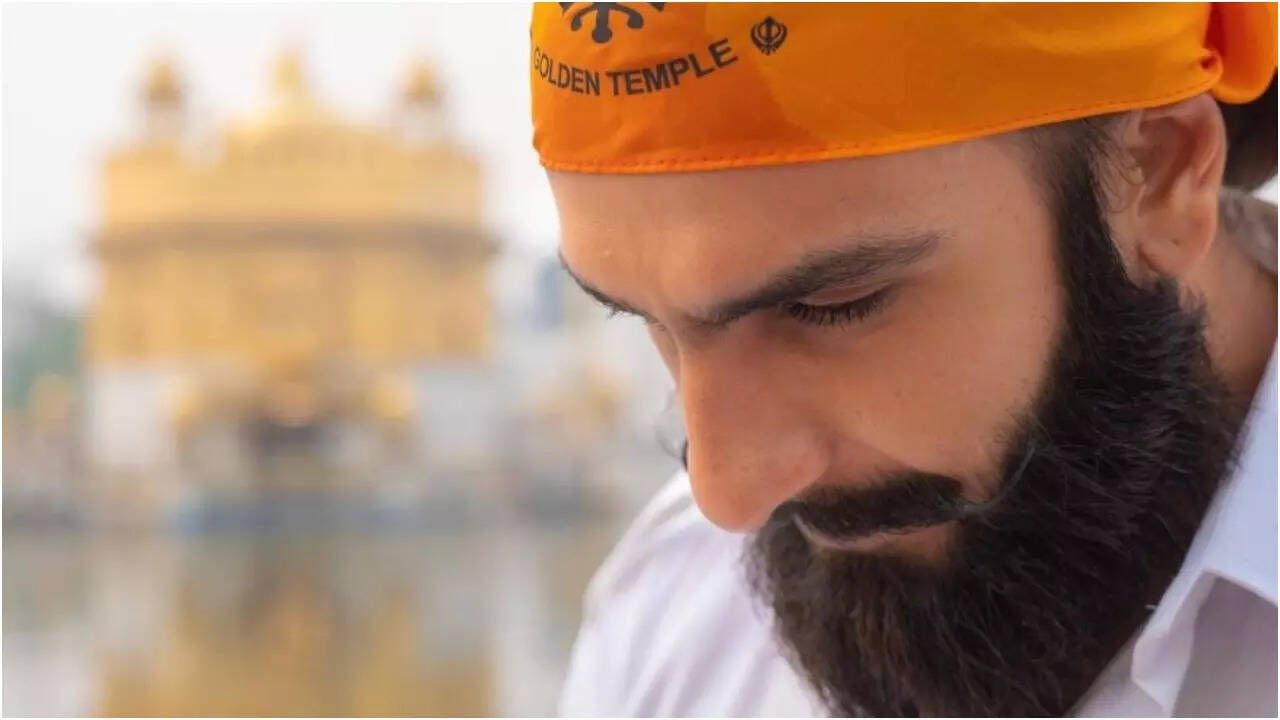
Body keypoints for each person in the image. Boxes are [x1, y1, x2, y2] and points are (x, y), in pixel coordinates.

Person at [531, 3, 1278, 716]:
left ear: (1158, 176)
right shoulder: (674, 615)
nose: (727, 496)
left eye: (831, 306)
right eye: (645, 321)